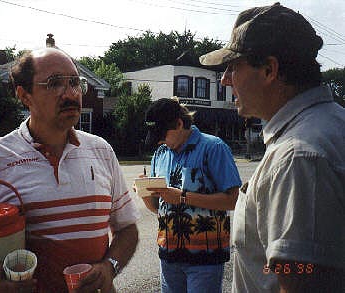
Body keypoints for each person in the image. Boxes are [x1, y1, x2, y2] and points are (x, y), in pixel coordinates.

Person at [0, 48, 140, 293]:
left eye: (75, 83)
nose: (70, 94)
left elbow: (127, 228)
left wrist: (109, 267)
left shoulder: (100, 151)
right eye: (54, 83)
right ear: (24, 95)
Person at [200, 3, 345, 292]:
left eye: (233, 67)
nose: (226, 79)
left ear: (269, 70)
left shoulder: (297, 156)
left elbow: (302, 278)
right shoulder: (330, 124)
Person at [140, 97, 242, 293]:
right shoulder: (160, 154)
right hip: (168, 257)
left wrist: (183, 197)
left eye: (162, 135)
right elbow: (157, 207)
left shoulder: (213, 147)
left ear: (179, 124)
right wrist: (145, 193)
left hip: (205, 258)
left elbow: (233, 199)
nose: (159, 141)